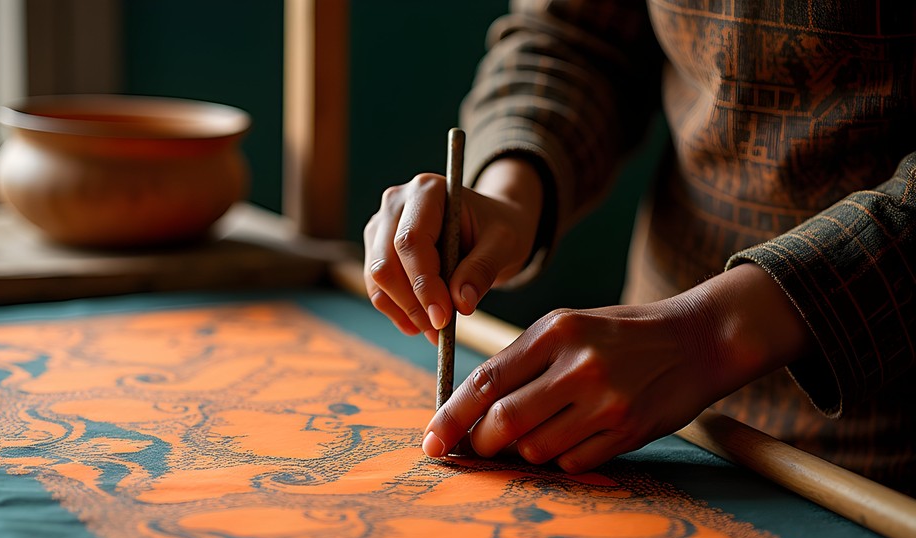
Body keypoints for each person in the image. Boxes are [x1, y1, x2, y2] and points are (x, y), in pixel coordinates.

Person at [362, 0, 916, 496]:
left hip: (884, 465)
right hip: (633, 423)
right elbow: (580, 36)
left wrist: (708, 335)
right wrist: (507, 193)